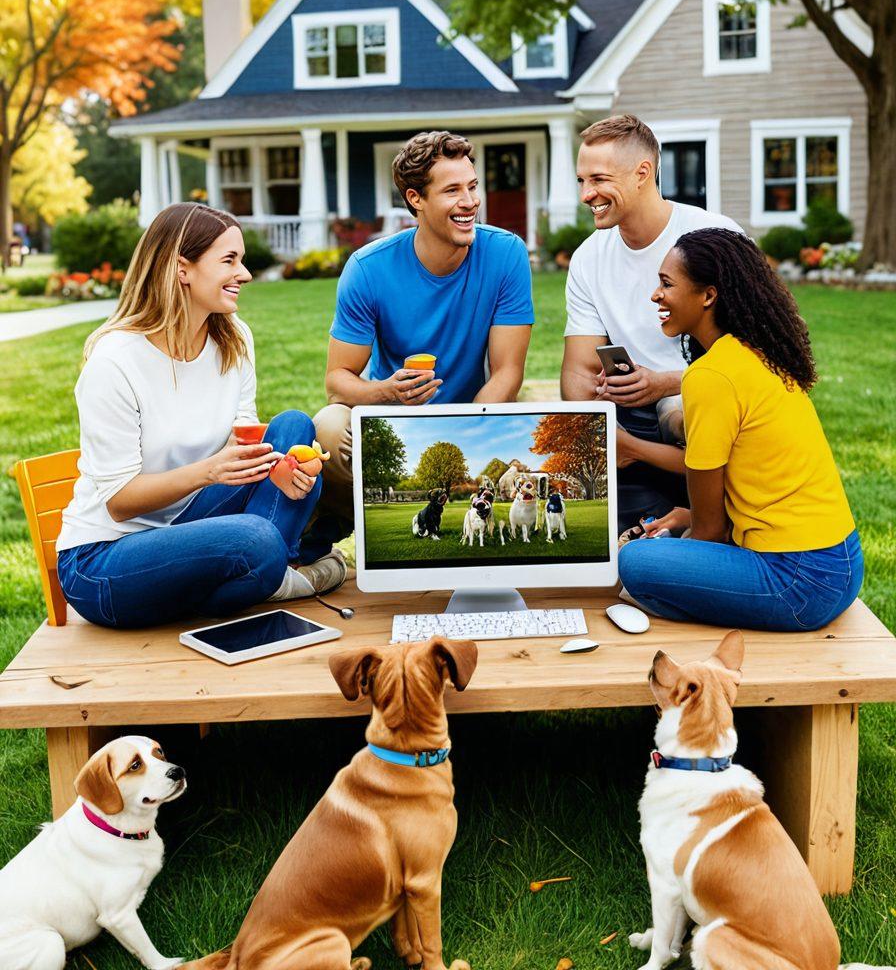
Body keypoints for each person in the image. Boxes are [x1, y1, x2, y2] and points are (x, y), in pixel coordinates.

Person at [56, 203, 345, 629]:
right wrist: (209, 472)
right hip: (106, 558)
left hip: (192, 521)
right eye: (229, 260)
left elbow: (241, 446)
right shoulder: (114, 363)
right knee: (257, 538)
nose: (244, 274)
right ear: (181, 269)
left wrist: (275, 471)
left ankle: (259, 575)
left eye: (241, 260)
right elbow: (119, 503)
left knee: (293, 427)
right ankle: (277, 575)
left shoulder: (233, 338)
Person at [618, 228, 862, 631]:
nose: (655, 295)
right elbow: (752, 479)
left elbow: (711, 532)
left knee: (634, 564)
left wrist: (677, 557)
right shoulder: (756, 352)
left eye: (666, 284)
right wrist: (687, 517)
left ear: (708, 296)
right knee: (665, 554)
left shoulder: (711, 376)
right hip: (843, 564)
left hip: (800, 582)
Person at [313, 130, 534, 536]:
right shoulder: (368, 269)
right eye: (452, 191)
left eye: (472, 186)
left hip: (474, 415)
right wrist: (387, 392)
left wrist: (470, 431)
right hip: (394, 419)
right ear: (416, 199)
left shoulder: (506, 254)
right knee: (328, 425)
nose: (469, 202)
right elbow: (336, 382)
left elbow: (507, 373)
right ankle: (331, 534)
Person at [560, 115, 742, 530]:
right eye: (581, 181)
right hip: (628, 413)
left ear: (643, 172)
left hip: (700, 403)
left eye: (599, 179)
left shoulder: (714, 236)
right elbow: (577, 368)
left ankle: (707, 520)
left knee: (678, 410)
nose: (588, 194)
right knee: (619, 550)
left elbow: (759, 358)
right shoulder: (589, 256)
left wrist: (663, 382)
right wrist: (596, 428)